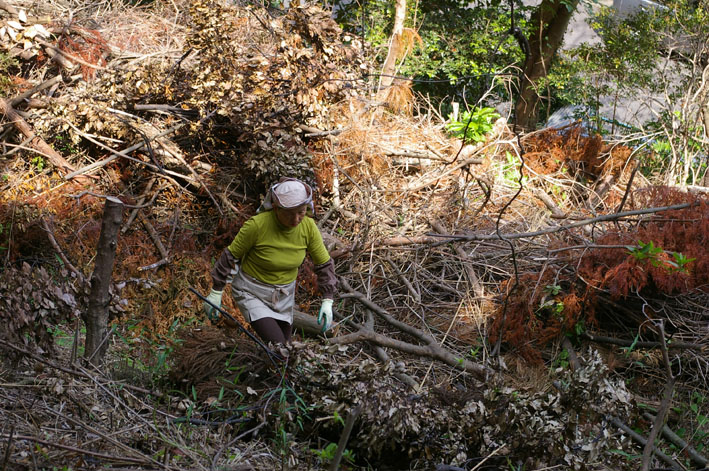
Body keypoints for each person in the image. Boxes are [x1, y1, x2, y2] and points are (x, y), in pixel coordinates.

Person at [203, 177, 337, 344]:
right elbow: (231, 256)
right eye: (289, 214)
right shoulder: (257, 226)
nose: (295, 219)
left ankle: (263, 369)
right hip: (251, 292)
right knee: (279, 347)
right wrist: (216, 291)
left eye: (301, 212)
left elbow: (324, 264)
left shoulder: (308, 227)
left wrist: (327, 299)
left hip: (284, 296)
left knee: (286, 350)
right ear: (275, 208)